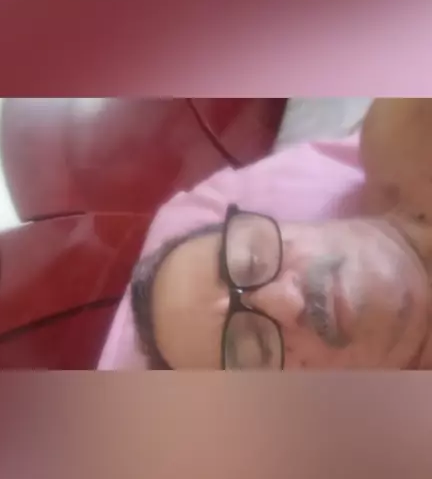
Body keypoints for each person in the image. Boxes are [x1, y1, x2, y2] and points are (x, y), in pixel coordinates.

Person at [129, 99, 432, 371]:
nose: (288, 302)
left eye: (251, 262)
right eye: (257, 347)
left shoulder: (405, 136)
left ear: (290, 223)